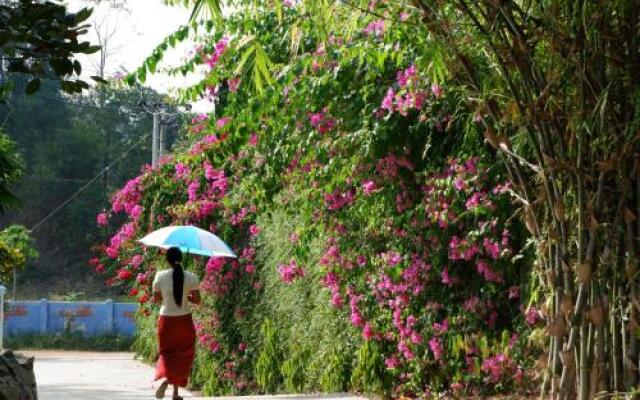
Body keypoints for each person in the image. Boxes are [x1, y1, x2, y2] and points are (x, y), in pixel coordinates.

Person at [152, 247, 201, 400]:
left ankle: (168, 383)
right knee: (184, 354)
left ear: (167, 259)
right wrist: (184, 297)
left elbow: (157, 299)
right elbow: (197, 300)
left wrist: (170, 296)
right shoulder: (191, 277)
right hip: (184, 321)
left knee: (168, 354)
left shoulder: (160, 276)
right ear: (180, 258)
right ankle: (174, 392)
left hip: (166, 321)